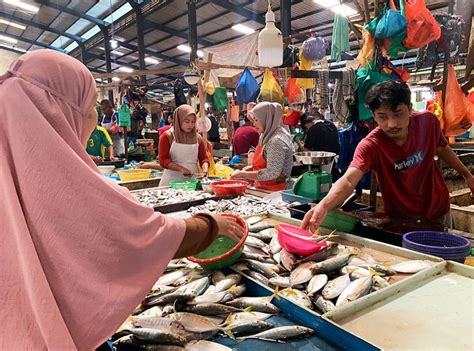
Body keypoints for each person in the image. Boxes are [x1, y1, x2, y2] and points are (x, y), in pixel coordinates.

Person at [0, 50, 243, 349]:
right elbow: (135, 238)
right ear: (56, 109)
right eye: (88, 107)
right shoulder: (58, 176)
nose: (93, 118)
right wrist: (209, 225)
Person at [302, 80, 474, 232]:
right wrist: (323, 206)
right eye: (382, 117)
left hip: (439, 209)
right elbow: (348, 180)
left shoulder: (428, 122)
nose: (391, 124)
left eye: (398, 114)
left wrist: (467, 174)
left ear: (410, 108)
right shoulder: (371, 145)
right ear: (374, 116)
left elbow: (442, 148)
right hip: (402, 219)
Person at [231, 102, 294, 191]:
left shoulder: (276, 140)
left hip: (278, 191)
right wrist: (249, 169)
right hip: (265, 188)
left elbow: (272, 172)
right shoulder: (267, 135)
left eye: (256, 120)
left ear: (266, 119)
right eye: (253, 120)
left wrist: (244, 175)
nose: (254, 124)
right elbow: (267, 162)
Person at [158, 104, 209, 186]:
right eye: (187, 121)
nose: (190, 125)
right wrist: (181, 169)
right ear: (179, 120)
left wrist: (205, 169)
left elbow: (203, 158)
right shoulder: (167, 136)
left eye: (193, 122)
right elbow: (163, 160)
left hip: (192, 181)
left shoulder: (198, 138)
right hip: (171, 182)